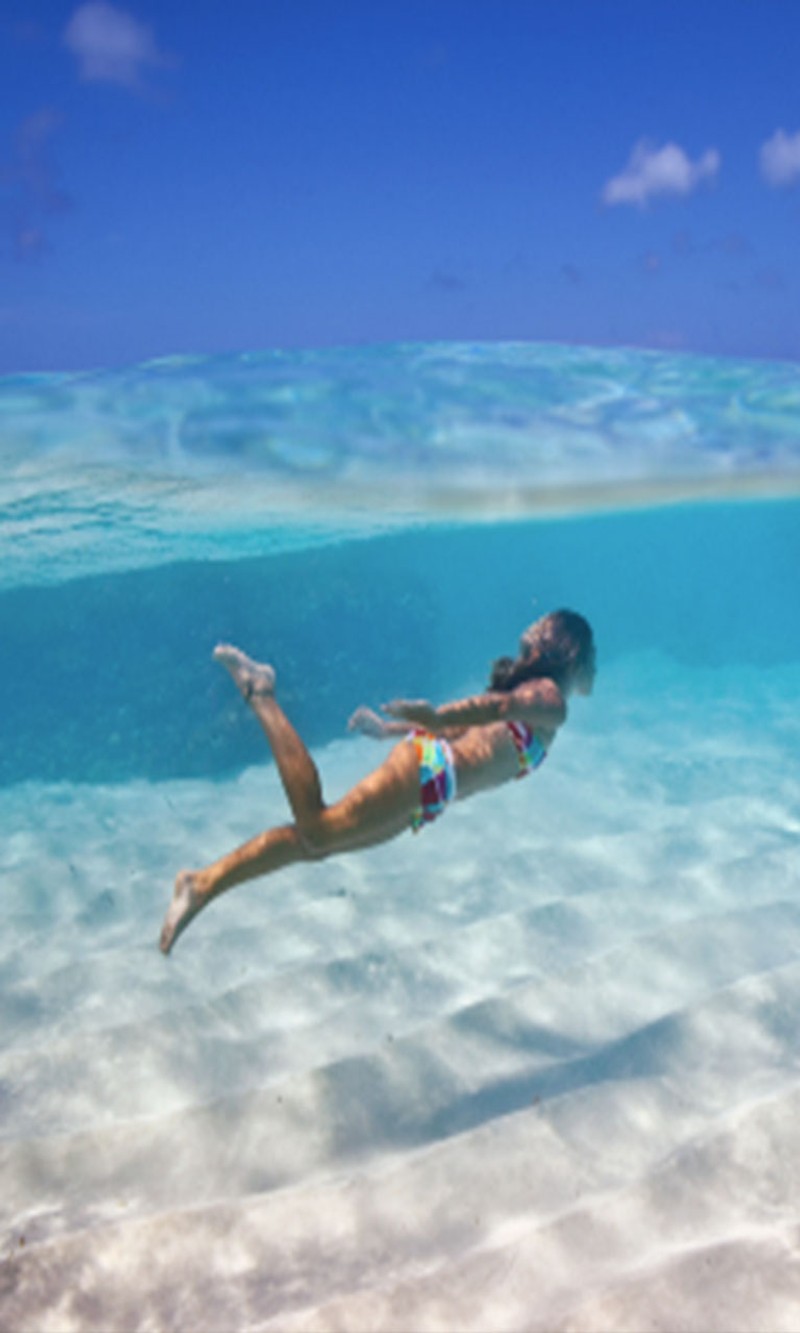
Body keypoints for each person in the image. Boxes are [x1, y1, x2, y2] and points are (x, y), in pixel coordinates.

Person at [159, 609, 596, 954]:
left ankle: (200, 884)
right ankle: (260, 691)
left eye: (544, 622)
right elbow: (492, 711)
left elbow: (481, 721)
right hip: (428, 770)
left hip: (431, 794)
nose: (534, 622)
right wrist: (428, 721)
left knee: (314, 845)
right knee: (318, 828)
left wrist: (387, 730)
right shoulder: (548, 700)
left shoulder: (544, 703)